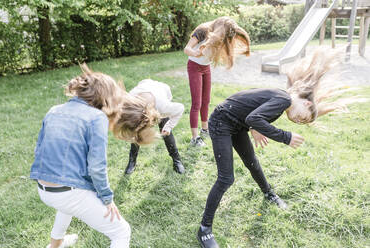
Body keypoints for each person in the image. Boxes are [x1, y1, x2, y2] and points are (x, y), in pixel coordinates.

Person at [196, 50, 361, 248]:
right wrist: (286, 136)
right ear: (306, 102)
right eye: (303, 117)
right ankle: (204, 229)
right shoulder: (285, 100)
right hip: (221, 122)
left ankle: (269, 193)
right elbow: (253, 116)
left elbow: (251, 110)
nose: (298, 120)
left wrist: (253, 127)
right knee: (226, 178)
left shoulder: (282, 101)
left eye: (301, 123)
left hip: (236, 123)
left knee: (252, 162)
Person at [30, 64, 155, 248]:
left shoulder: (53, 110)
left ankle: (55, 245)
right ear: (104, 96)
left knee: (68, 204)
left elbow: (38, 151)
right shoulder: (97, 118)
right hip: (66, 192)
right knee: (121, 232)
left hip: (44, 189)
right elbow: (97, 167)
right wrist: (107, 198)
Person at [184, 16, 251, 147]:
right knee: (196, 103)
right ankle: (194, 137)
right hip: (194, 67)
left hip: (205, 68)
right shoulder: (202, 30)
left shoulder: (221, 36)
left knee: (206, 101)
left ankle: (204, 129)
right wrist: (195, 53)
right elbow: (186, 49)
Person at [121, 79, 186, 175]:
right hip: (144, 87)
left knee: (165, 130)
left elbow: (180, 108)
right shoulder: (130, 102)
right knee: (136, 132)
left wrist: (169, 127)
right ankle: (132, 161)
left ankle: (176, 160)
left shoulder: (163, 106)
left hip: (161, 92)